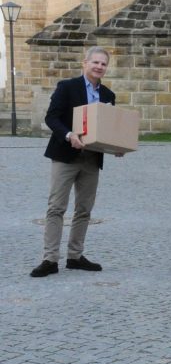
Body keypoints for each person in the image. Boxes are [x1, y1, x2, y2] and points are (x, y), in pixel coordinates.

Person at [31, 46, 120, 278]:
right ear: (85, 63)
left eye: (103, 64)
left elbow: (109, 129)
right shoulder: (67, 87)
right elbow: (51, 117)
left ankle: (75, 256)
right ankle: (50, 259)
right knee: (56, 208)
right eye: (96, 62)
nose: (99, 67)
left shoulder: (108, 95)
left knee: (84, 210)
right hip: (65, 155)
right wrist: (69, 135)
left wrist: (117, 147)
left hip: (92, 159)